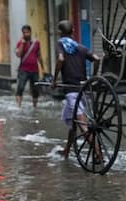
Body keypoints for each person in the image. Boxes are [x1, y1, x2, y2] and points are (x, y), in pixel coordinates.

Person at [51, 20, 100, 159]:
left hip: (72, 91)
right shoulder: (80, 47)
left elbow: (60, 59)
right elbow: (96, 59)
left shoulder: (60, 44)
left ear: (60, 33)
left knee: (81, 123)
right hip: (82, 89)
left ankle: (98, 153)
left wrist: (55, 80)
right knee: (72, 122)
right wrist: (93, 78)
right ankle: (67, 151)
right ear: (73, 31)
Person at [15, 25, 44, 108]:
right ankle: (18, 106)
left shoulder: (36, 43)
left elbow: (39, 55)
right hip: (23, 70)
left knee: (35, 89)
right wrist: (22, 44)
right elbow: (18, 54)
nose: (26, 34)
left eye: (27, 32)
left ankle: (35, 106)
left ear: (30, 32)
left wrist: (42, 68)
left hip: (34, 70)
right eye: (24, 33)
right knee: (20, 87)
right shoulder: (20, 43)